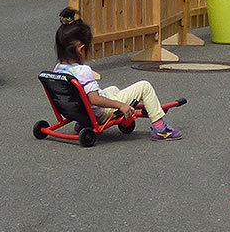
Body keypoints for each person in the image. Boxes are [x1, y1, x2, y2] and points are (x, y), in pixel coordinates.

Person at [54, 8, 180, 139]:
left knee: (113, 89)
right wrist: (121, 105)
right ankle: (160, 128)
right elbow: (95, 100)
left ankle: (82, 123)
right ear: (81, 49)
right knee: (145, 87)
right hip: (99, 113)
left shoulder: (58, 69)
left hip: (80, 112)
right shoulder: (83, 71)